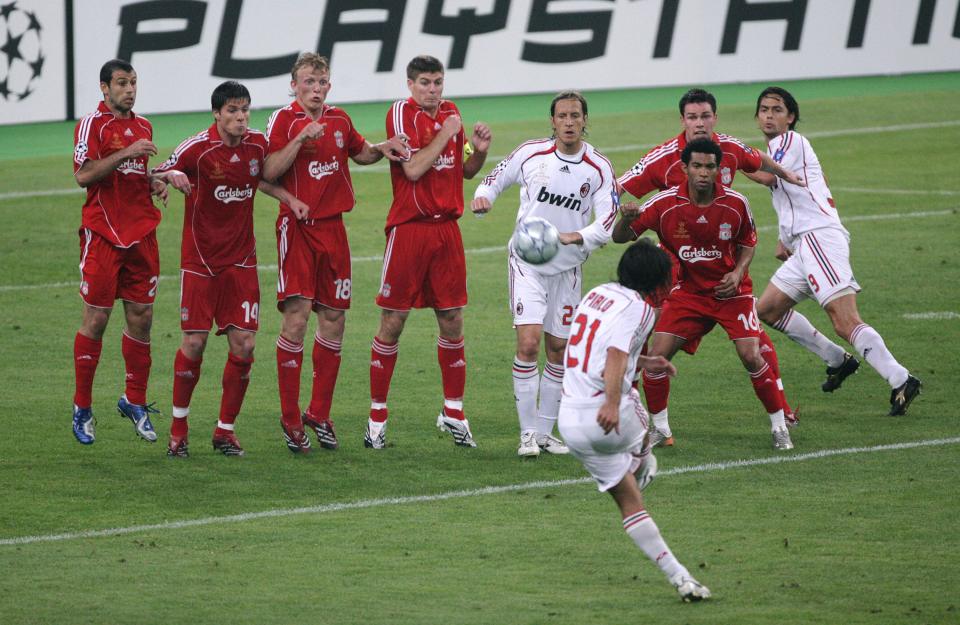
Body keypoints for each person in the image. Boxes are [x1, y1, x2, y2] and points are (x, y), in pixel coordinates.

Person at [617, 88, 803, 446]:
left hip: (729, 288)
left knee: (753, 350)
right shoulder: (664, 180)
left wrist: (786, 175)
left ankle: (781, 421)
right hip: (680, 285)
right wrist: (614, 220)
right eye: (692, 117)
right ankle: (656, 427)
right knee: (653, 351)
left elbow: (750, 229)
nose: (699, 123)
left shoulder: (733, 183)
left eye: (705, 116)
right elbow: (619, 193)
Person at [262, 53, 410, 454]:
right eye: (308, 81)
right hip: (298, 232)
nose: (316, 88)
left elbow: (360, 152)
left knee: (334, 319)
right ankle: (291, 419)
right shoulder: (283, 121)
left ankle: (319, 412)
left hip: (334, 231)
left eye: (322, 82)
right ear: (294, 85)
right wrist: (299, 140)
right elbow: (266, 173)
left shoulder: (340, 119)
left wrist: (384, 146)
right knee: (296, 320)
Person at [152, 81, 308, 457]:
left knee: (245, 343)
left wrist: (289, 198)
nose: (241, 118)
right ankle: (178, 430)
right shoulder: (197, 149)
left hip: (241, 261)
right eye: (233, 112)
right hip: (200, 262)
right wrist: (165, 179)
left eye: (245, 111)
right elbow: (152, 174)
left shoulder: (256, 145)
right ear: (217, 114)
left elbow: (262, 179)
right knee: (194, 343)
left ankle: (225, 430)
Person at [752, 86, 922, 415]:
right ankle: (837, 359)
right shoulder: (784, 147)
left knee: (845, 320)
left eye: (777, 109)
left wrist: (726, 157)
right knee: (769, 309)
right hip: (805, 242)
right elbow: (801, 189)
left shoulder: (790, 142)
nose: (769, 115)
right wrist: (786, 238)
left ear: (791, 118)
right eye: (764, 109)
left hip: (818, 240)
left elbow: (767, 176)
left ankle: (901, 378)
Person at [558, 238, 711, 601]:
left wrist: (644, 363)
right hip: (607, 417)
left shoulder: (598, 293)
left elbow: (592, 347)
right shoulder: (640, 309)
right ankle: (643, 460)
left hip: (570, 424)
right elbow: (613, 355)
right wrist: (612, 403)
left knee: (630, 503)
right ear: (656, 283)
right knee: (640, 417)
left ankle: (681, 578)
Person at [471, 91, 618, 457]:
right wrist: (483, 197)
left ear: (585, 120)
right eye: (562, 116)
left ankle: (544, 432)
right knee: (529, 343)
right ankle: (526, 434)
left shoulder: (598, 168)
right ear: (552, 121)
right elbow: (492, 180)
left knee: (558, 349)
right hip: (527, 263)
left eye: (575, 116)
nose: (568, 122)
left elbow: (609, 223)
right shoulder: (530, 154)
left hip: (567, 269)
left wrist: (575, 236)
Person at [366, 54, 491, 449]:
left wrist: (481, 151)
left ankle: (453, 411)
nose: (433, 90)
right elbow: (414, 169)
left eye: (438, 82)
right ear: (410, 85)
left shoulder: (451, 112)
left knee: (452, 319)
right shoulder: (401, 116)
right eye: (425, 83)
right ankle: (377, 419)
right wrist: (447, 131)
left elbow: (464, 170)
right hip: (410, 232)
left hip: (447, 232)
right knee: (393, 322)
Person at [71, 59, 168, 445]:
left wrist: (154, 180)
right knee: (96, 320)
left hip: (142, 234)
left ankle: (135, 400)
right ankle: (82, 407)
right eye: (122, 83)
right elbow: (83, 175)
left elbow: (133, 174)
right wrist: (128, 153)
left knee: (141, 317)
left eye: (133, 83)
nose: (129, 89)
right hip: (104, 234)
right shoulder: (92, 125)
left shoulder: (143, 126)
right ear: (104, 88)